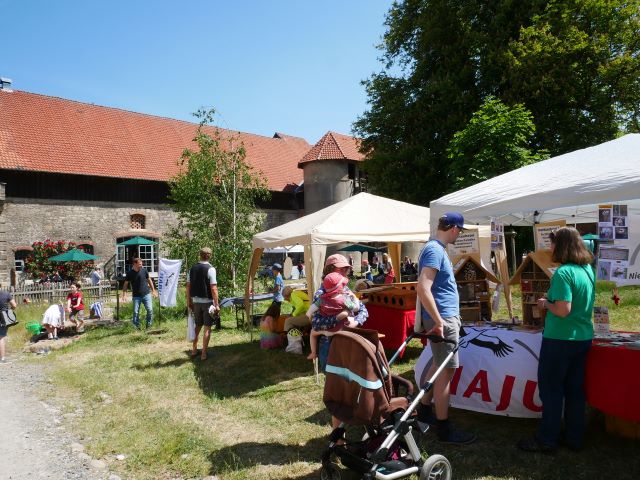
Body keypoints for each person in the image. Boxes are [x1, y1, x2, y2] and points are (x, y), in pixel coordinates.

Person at [518, 227, 595, 453]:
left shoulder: (563, 273)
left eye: (552, 244)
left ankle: (547, 439)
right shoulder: (587, 269)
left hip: (560, 338)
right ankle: (573, 437)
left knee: (551, 390)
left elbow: (562, 310)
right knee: (574, 390)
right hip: (582, 337)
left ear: (561, 245)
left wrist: (545, 304)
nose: (550, 248)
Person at [415, 212, 477, 444]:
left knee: (437, 365)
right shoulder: (434, 250)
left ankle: (424, 411)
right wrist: (440, 321)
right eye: (460, 231)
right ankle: (444, 428)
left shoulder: (436, 249)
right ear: (453, 228)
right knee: (445, 372)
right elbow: (423, 288)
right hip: (444, 318)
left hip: (444, 317)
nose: (459, 235)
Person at [306, 272, 360, 360]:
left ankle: (313, 353)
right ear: (340, 287)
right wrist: (354, 297)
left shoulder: (321, 299)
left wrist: (308, 315)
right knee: (352, 321)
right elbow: (356, 308)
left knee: (312, 333)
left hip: (327, 331)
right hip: (341, 329)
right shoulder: (344, 299)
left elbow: (311, 310)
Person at [186, 247, 220, 360]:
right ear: (210, 256)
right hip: (207, 303)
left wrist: (188, 302)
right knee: (207, 327)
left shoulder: (192, 269)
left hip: (195, 302)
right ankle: (204, 354)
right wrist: (217, 304)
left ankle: (194, 350)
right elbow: (214, 288)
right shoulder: (211, 269)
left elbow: (188, 287)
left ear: (200, 255)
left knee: (197, 326)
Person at [121, 257, 157, 329]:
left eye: (141, 264)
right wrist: (124, 295)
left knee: (150, 310)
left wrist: (153, 290)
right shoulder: (129, 273)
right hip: (136, 296)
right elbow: (125, 284)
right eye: (139, 264)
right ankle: (137, 327)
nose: (141, 265)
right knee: (136, 312)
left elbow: (149, 280)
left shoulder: (144, 271)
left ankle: (149, 326)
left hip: (146, 294)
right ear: (134, 264)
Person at [0, 288, 17, 363]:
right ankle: (2, 358)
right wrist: (11, 309)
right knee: (1, 337)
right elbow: (14, 305)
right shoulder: (6, 294)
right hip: (3, 316)